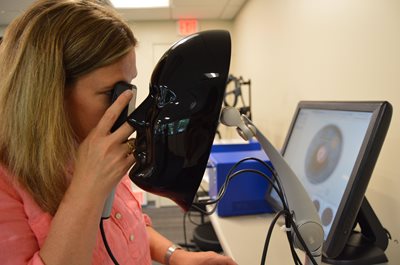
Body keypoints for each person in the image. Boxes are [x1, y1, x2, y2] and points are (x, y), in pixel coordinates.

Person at [0, 1, 237, 264]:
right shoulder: (6, 182)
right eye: (111, 93)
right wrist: (86, 189)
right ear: (48, 95)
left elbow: (132, 226)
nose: (131, 114)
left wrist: (177, 256)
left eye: (129, 89)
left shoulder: (95, 145)